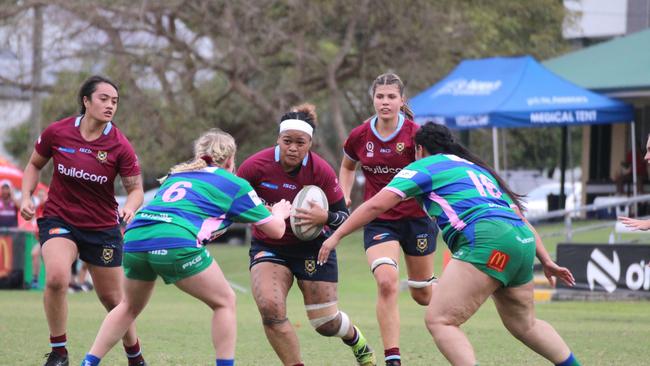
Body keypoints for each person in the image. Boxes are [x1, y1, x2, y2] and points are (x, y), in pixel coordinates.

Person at [319, 122, 582, 366]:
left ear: (420, 149)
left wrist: (336, 235)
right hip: (521, 241)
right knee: (527, 325)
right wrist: (546, 260)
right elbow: (519, 218)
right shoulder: (477, 170)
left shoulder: (425, 166)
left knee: (440, 321)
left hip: (485, 239)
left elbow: (376, 204)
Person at [80, 129, 291, 366]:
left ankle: (88, 363)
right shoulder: (235, 183)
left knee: (128, 306)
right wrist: (280, 213)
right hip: (175, 241)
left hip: (135, 237)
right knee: (225, 301)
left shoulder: (177, 175)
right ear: (231, 159)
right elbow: (276, 230)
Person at [20, 75, 146, 366]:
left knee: (114, 300)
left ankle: (135, 357)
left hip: (102, 228)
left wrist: (131, 208)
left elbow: (135, 189)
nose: (110, 105)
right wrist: (26, 196)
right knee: (55, 279)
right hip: (59, 218)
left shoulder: (120, 146)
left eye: (115, 101)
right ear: (86, 101)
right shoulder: (58, 132)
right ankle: (59, 352)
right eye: (104, 99)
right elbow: (33, 165)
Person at [237, 104, 376, 366]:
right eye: (287, 141)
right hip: (271, 246)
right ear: (278, 139)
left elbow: (345, 219)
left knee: (325, 323)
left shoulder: (320, 171)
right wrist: (258, 212)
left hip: (313, 248)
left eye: (300, 143)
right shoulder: (254, 166)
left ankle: (356, 340)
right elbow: (232, 204)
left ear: (310, 143)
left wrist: (324, 218)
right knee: (270, 309)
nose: (293, 148)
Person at [338, 73, 437, 366]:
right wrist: (344, 194)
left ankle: (444, 284)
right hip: (379, 221)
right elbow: (346, 166)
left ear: (401, 101)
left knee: (423, 295)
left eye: (391, 97)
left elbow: (427, 174)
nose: (385, 102)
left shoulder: (415, 135)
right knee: (386, 281)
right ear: (373, 99)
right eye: (380, 96)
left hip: (417, 220)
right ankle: (393, 358)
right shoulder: (359, 136)